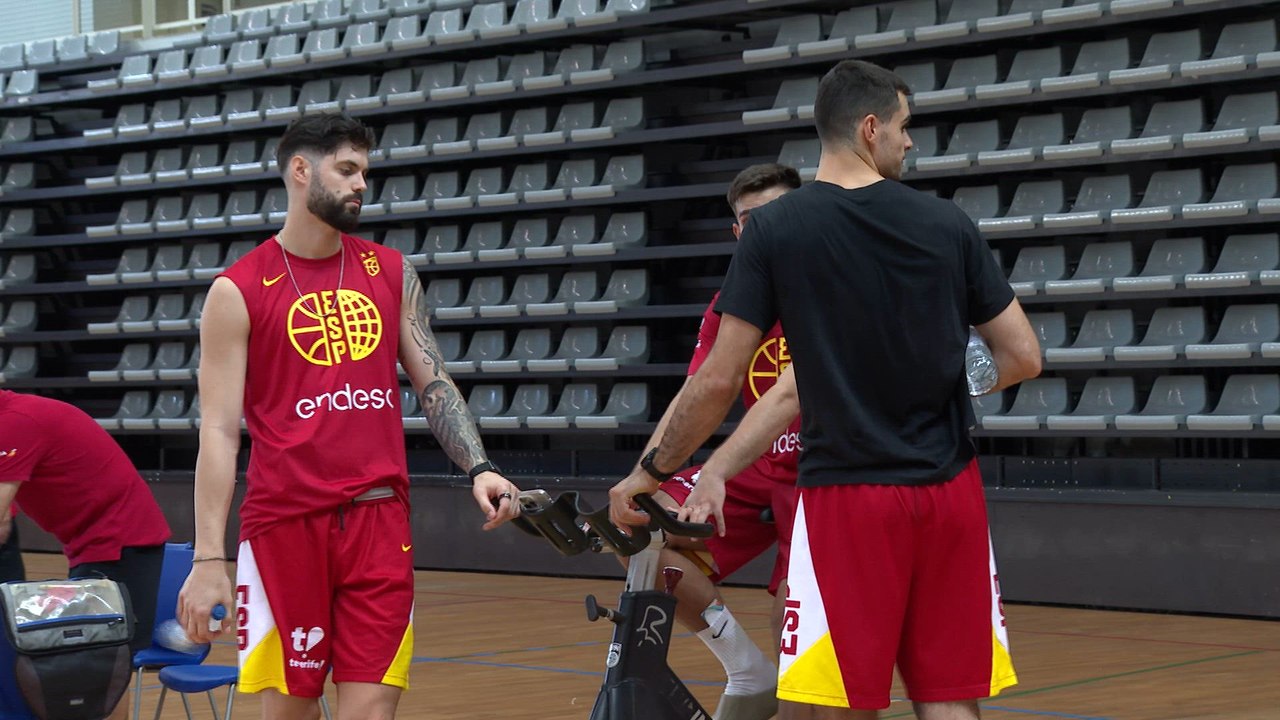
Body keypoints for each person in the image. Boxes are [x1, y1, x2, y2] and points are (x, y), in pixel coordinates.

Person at [609, 59, 1042, 720]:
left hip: (849, 496)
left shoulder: (778, 231)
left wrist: (652, 471)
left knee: (840, 702)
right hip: (952, 493)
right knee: (951, 699)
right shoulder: (947, 224)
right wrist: (935, 372)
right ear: (870, 128)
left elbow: (722, 380)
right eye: (903, 128)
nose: (909, 142)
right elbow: (1023, 355)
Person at [176, 113, 521, 720]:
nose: (362, 184)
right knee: (286, 712)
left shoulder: (389, 272)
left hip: (379, 524)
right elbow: (219, 432)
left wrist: (480, 467)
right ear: (302, 171)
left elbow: (433, 381)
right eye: (348, 170)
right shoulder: (238, 290)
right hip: (284, 527)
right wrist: (209, 559)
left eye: (366, 171)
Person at [618, 163, 801, 720]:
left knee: (793, 609)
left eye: (776, 215)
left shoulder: (830, 285)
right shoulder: (733, 299)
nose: (763, 228)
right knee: (642, 530)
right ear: (737, 232)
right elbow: (697, 391)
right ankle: (748, 670)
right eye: (751, 220)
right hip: (759, 460)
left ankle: (795, 697)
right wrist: (643, 473)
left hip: (827, 471)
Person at [0, 389, 171, 720]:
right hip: (92, 543)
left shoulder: (15, 423)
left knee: (105, 661)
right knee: (92, 660)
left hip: (122, 540)